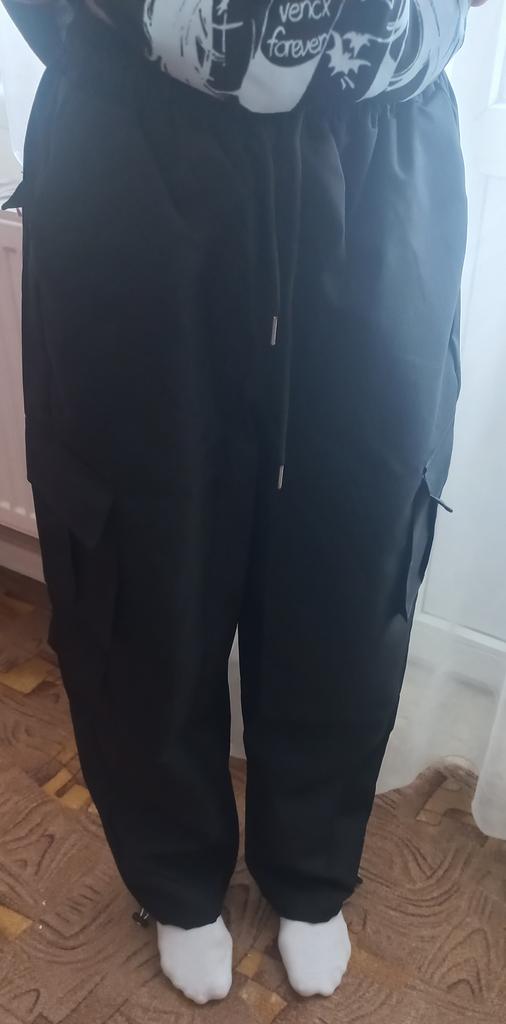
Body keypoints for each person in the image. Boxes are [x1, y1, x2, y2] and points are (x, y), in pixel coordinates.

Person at [1, 0, 483, 1006]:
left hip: (379, 139)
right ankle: (175, 875)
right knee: (137, 542)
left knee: (357, 535)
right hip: (135, 123)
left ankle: (311, 864)